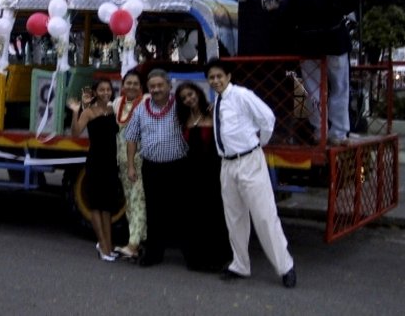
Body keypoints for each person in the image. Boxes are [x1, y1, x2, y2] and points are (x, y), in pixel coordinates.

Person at [206, 58, 296, 288]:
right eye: (212, 77)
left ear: (228, 76)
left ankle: (285, 266)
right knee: (234, 217)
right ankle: (240, 265)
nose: (216, 80)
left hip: (249, 161)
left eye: (219, 76)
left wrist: (259, 144)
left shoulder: (241, 95)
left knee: (264, 216)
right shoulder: (217, 101)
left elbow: (267, 118)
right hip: (227, 165)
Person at [276, 0, 358, 145]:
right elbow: (352, 4)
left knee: (313, 90)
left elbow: (282, 17)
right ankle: (338, 133)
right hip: (335, 45)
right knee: (340, 88)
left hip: (308, 46)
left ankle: (319, 130)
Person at [124, 69, 190, 268]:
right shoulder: (141, 110)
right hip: (151, 167)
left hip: (177, 166)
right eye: (152, 86)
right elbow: (131, 138)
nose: (156, 89)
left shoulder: (180, 105)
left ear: (169, 86)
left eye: (160, 85)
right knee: (154, 210)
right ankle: (154, 253)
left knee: (181, 210)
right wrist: (130, 166)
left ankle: (189, 253)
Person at [175, 81, 233, 271]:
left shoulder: (213, 113)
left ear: (198, 93)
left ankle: (217, 258)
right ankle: (196, 258)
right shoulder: (183, 119)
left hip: (212, 172)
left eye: (190, 94)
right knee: (194, 215)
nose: (188, 99)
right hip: (190, 174)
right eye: (184, 98)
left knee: (214, 213)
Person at [69, 79, 121, 262]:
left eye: (108, 89)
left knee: (108, 206)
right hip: (96, 161)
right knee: (96, 205)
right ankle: (103, 247)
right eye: (101, 89)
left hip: (111, 162)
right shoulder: (89, 112)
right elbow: (75, 133)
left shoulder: (114, 110)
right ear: (95, 92)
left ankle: (108, 245)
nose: (106, 92)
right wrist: (76, 111)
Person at [111, 70, 147, 260]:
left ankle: (133, 244)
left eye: (135, 83)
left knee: (138, 200)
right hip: (122, 159)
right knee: (129, 202)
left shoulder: (146, 102)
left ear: (141, 87)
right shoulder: (118, 103)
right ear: (123, 85)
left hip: (139, 159)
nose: (131, 86)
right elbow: (96, 103)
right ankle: (139, 240)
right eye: (128, 83)